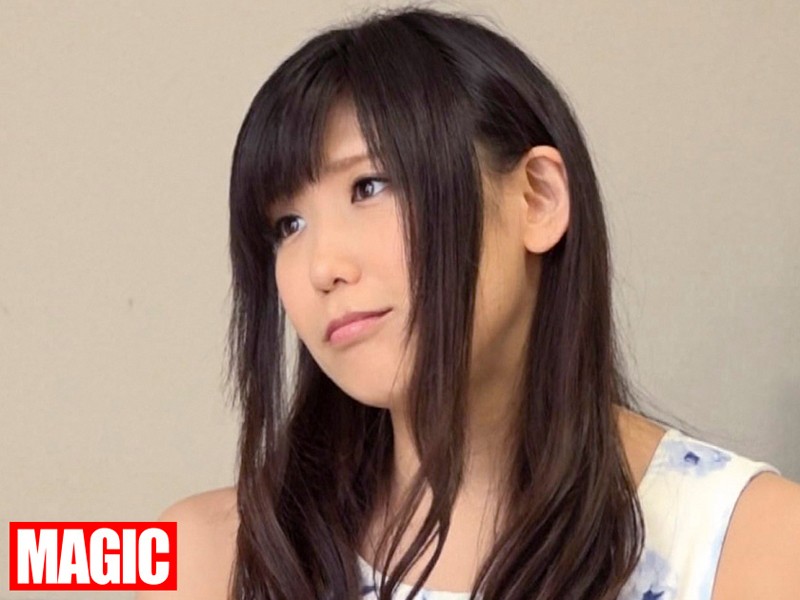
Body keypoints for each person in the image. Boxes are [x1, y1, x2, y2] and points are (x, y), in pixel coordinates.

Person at [137, 6, 800, 600]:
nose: (321, 268)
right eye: (287, 225)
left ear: (537, 199)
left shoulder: (753, 545)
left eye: (369, 186)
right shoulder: (208, 560)